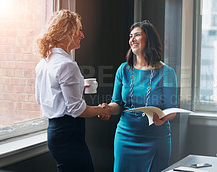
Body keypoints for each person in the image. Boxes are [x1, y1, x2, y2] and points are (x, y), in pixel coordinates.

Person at [35, 10, 111, 172]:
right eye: (79, 30)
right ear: (68, 32)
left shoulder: (44, 63)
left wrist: (78, 88)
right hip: (69, 136)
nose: (82, 35)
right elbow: (77, 110)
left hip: (55, 133)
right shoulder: (67, 65)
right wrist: (101, 109)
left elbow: (41, 99)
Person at [106, 20, 178, 172]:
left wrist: (163, 118)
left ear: (149, 39)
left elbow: (172, 110)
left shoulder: (167, 72)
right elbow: (116, 103)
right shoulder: (123, 70)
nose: (132, 39)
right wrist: (106, 109)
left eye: (137, 35)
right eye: (130, 36)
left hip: (156, 139)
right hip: (125, 136)